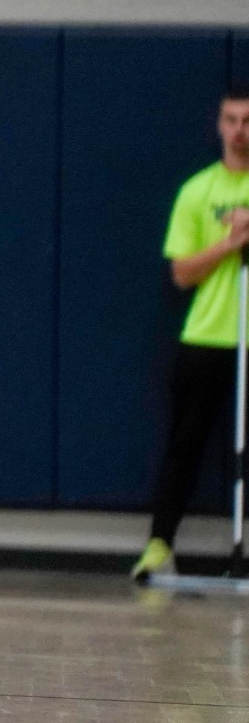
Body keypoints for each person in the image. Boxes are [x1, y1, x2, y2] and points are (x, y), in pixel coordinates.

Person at [133, 84, 249, 582]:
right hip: (208, 336)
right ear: (219, 126)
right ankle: (159, 545)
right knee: (185, 444)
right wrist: (230, 243)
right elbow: (181, 273)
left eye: (248, 121)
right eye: (232, 120)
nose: (240, 131)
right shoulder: (196, 192)